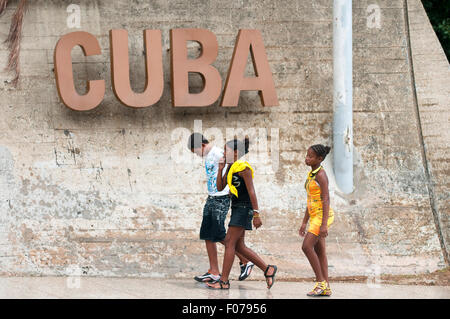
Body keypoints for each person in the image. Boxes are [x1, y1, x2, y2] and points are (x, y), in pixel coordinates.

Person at [206, 137, 277, 289]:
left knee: (230, 242)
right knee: (239, 247)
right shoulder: (230, 168)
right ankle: (268, 269)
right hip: (236, 207)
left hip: (245, 208)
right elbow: (220, 187)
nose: (223, 153)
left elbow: (251, 191)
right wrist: (220, 169)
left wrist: (256, 214)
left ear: (236, 152)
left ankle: (223, 281)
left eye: (227, 150)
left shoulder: (243, 167)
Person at [188, 133, 254, 283]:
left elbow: (230, 172)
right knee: (207, 233)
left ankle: (245, 260)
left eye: (195, 151)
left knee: (218, 233)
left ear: (201, 145)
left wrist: (228, 190)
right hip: (212, 196)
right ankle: (214, 271)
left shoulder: (219, 153)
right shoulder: (210, 155)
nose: (197, 155)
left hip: (222, 197)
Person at [299, 144, 335, 296]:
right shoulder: (311, 174)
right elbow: (310, 200)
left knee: (306, 247)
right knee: (320, 252)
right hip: (314, 216)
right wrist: (303, 221)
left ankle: (320, 283)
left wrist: (324, 224)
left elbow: (326, 200)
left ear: (319, 159)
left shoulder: (321, 175)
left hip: (322, 217)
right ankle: (326, 286)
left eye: (310, 156)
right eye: (307, 155)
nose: (307, 158)